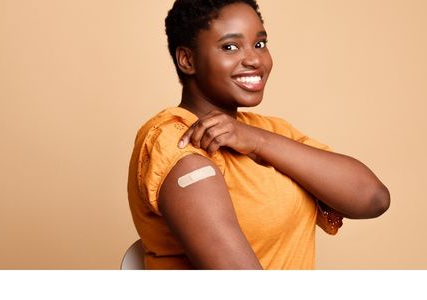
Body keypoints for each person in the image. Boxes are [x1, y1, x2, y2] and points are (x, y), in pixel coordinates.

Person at [127, 0, 390, 270]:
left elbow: (373, 199)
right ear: (187, 59)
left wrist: (257, 140)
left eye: (260, 44)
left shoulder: (267, 131)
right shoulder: (177, 142)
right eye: (230, 46)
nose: (254, 59)